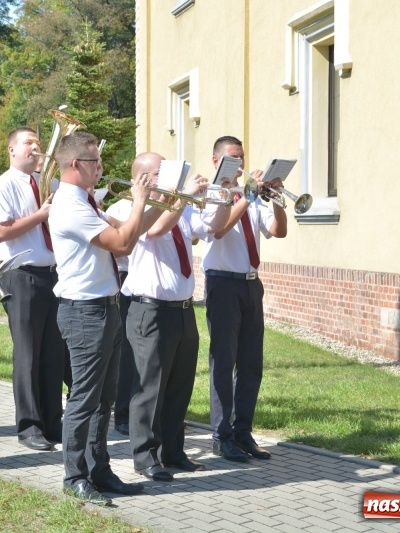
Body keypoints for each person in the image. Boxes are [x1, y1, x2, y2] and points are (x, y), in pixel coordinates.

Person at [49, 132, 163, 506]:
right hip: (85, 311)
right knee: (84, 398)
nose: (101, 168)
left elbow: (131, 231)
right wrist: (140, 200)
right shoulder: (71, 206)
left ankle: (99, 470)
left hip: (104, 307)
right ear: (76, 165)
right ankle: (75, 475)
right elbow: (123, 243)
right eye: (95, 162)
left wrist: (161, 206)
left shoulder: (85, 201)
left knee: (104, 399)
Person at [123, 153, 230, 482]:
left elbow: (213, 227)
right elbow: (155, 230)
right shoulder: (130, 210)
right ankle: (145, 457)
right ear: (145, 179)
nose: (169, 175)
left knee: (178, 388)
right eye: (160, 172)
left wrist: (224, 196)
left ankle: (173, 451)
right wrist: (181, 196)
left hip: (182, 311)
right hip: (150, 310)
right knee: (149, 390)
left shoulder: (176, 208)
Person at [204, 136, 287, 462]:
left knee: (251, 364)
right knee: (224, 362)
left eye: (241, 159)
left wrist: (276, 197)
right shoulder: (212, 195)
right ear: (216, 162)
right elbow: (219, 229)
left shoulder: (250, 196)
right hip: (223, 284)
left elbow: (278, 231)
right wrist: (248, 195)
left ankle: (243, 433)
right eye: (232, 159)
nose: (239, 165)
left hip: (252, 284)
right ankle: (221, 436)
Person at [0, 127, 65, 451]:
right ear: (12, 150)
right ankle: (29, 427)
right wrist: (41, 214)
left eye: (38, 142)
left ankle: (52, 421)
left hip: (53, 274)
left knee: (53, 353)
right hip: (22, 275)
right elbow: (1, 232)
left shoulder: (52, 184)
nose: (36, 147)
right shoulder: (2, 186)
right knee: (28, 353)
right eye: (28, 143)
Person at [104, 198, 133, 436]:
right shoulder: (120, 207)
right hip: (125, 276)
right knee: (127, 351)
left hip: (149, 281)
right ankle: (123, 414)